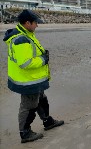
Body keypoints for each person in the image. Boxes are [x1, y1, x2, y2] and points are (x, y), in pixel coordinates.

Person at [3, 9, 64, 143]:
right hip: (27, 80)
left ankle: (47, 121)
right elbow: (25, 63)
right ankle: (25, 133)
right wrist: (43, 59)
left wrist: (42, 56)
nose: (37, 25)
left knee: (41, 99)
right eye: (35, 23)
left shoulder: (27, 33)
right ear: (27, 23)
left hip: (34, 78)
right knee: (29, 105)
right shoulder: (21, 39)